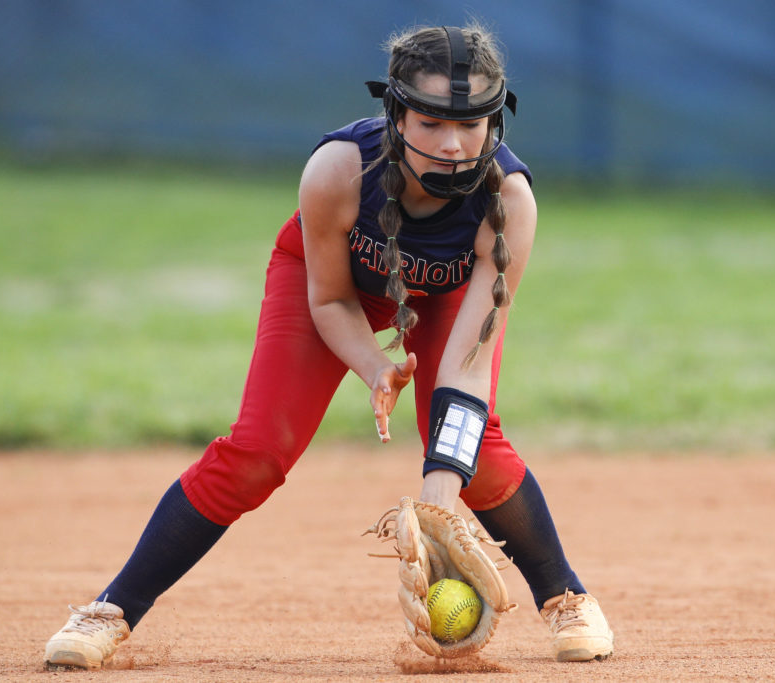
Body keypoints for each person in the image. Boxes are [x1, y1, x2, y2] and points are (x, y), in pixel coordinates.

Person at [44, 22, 613, 669]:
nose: (454, 144)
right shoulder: (338, 171)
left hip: (448, 297)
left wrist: (437, 495)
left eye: (472, 123)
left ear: (496, 123)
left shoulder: (507, 203)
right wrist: (373, 366)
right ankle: (111, 608)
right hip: (335, 284)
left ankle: (567, 596)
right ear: (396, 115)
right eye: (430, 122)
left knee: (472, 449)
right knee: (257, 452)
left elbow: (468, 365)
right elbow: (330, 299)